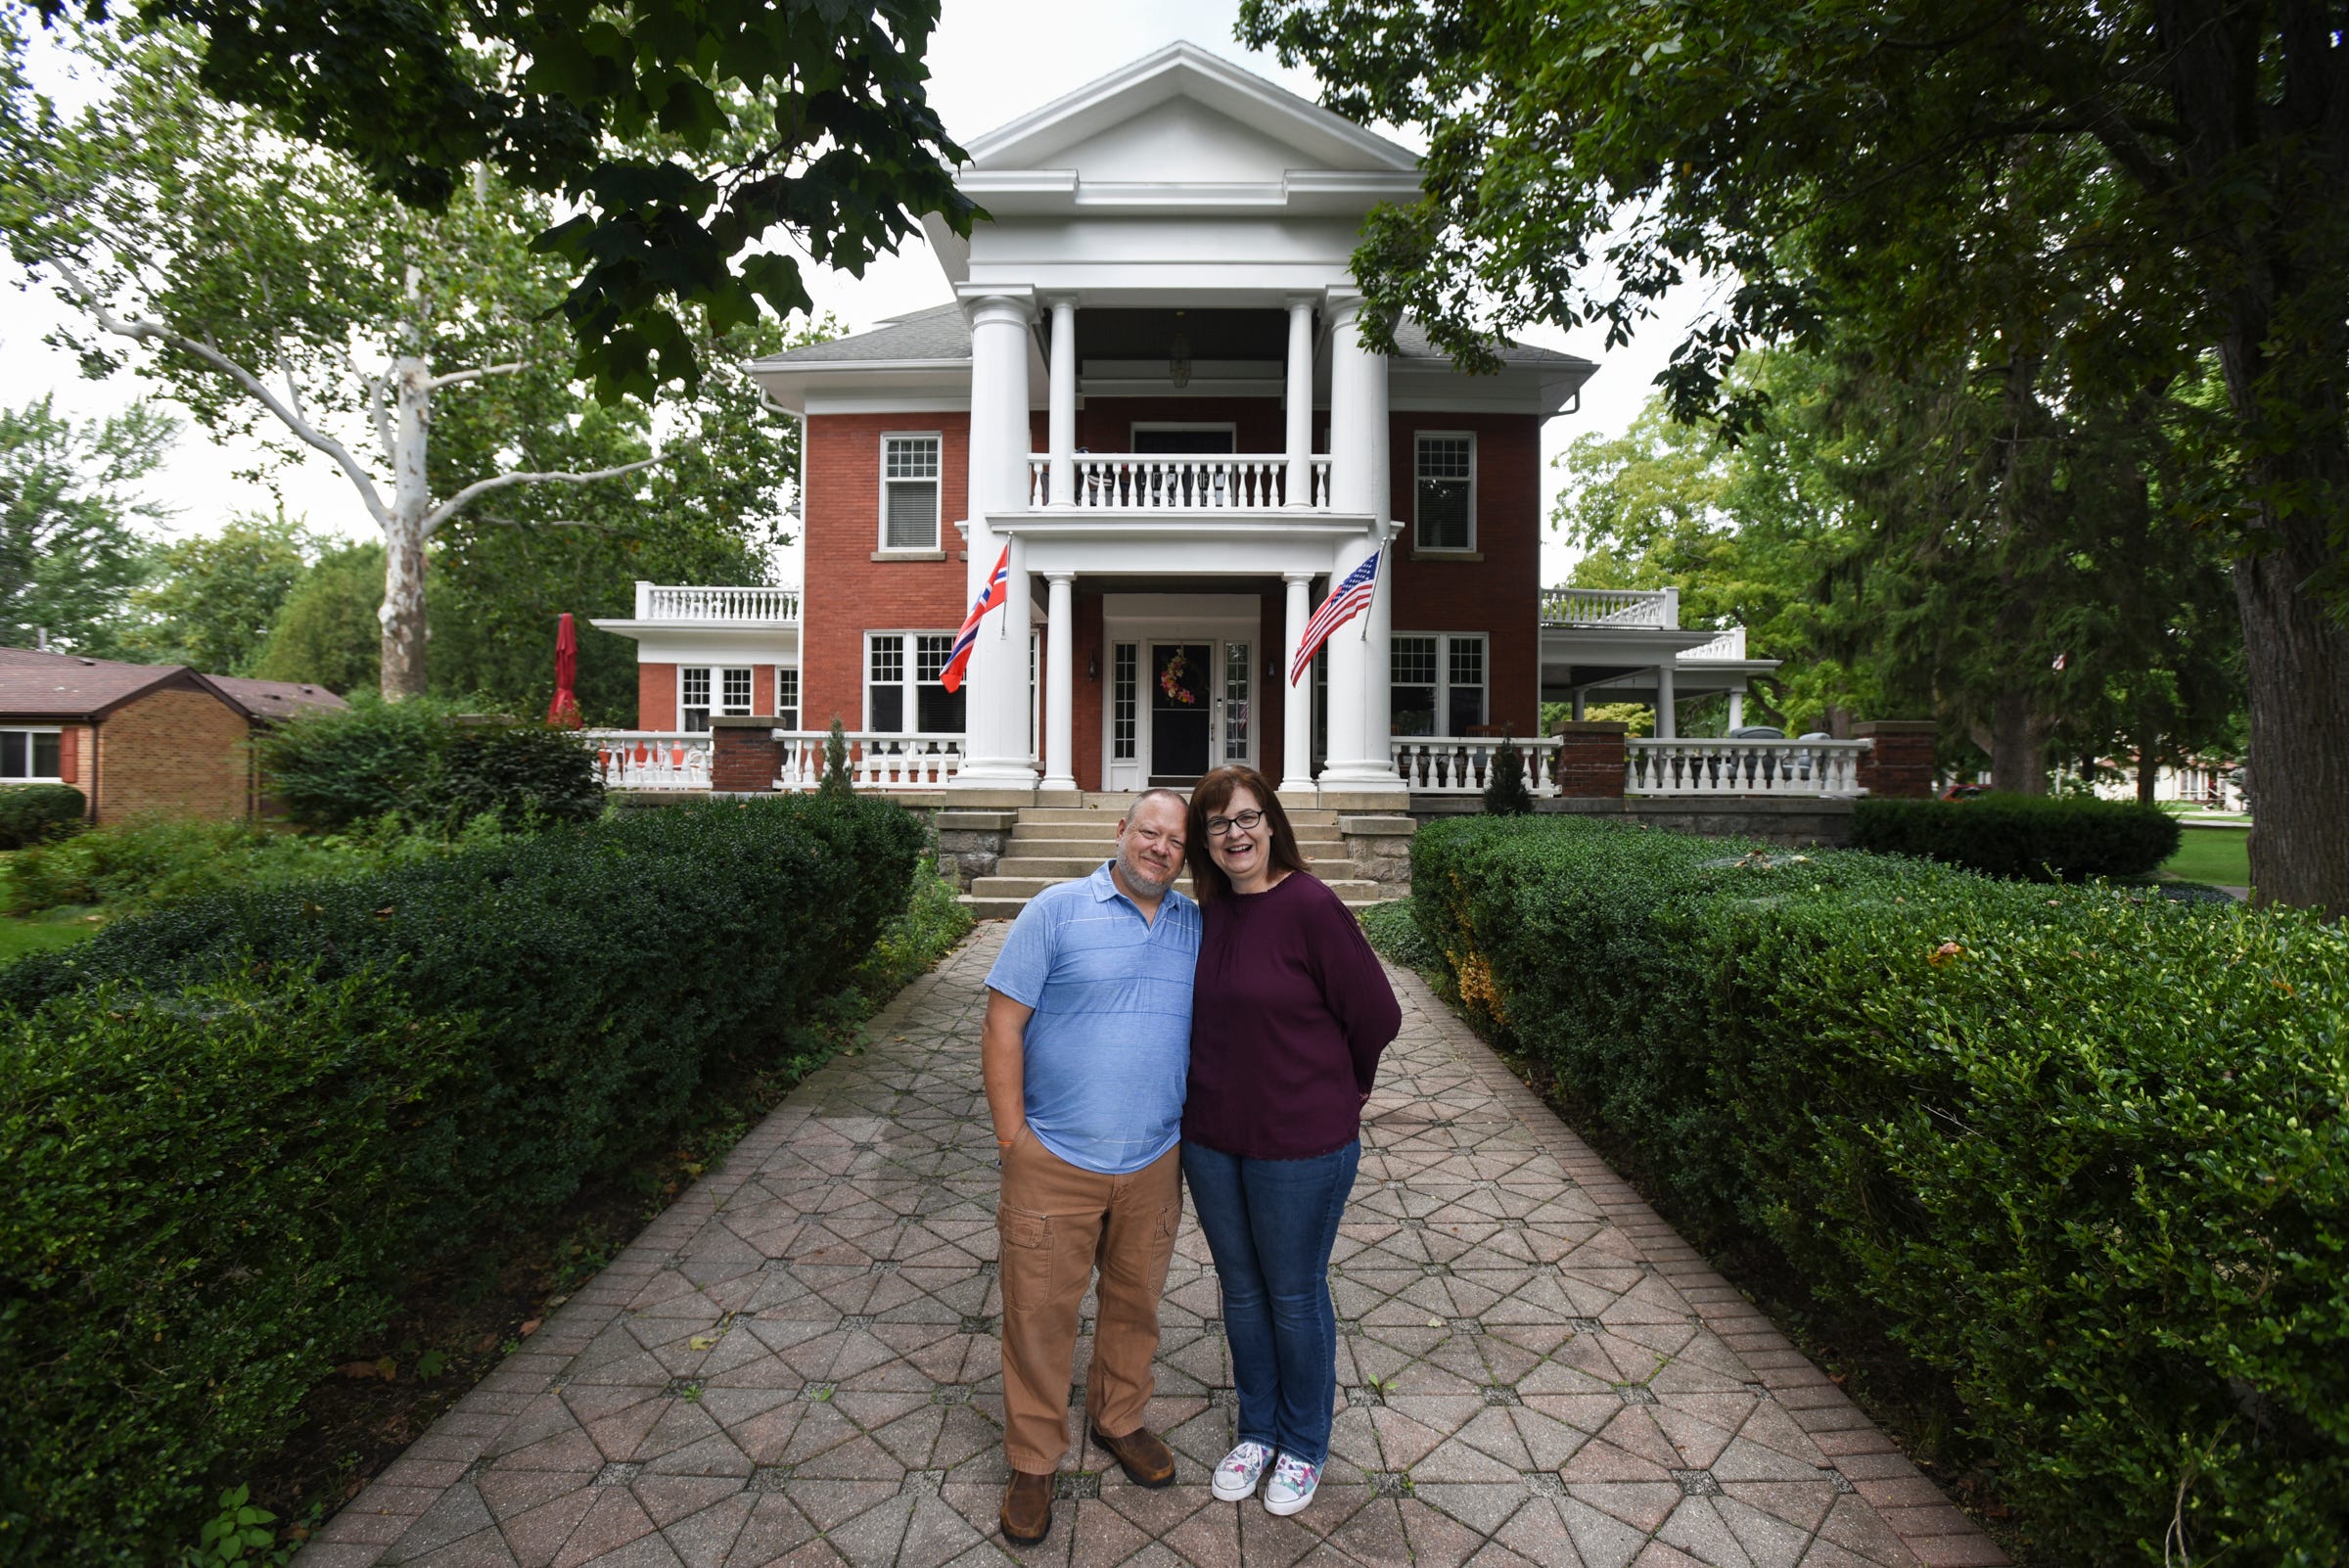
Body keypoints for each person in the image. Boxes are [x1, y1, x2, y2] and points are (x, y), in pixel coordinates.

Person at [980, 789, 1200, 1547]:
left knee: (1136, 1305)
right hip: (1054, 1160)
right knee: (1040, 1316)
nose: (1159, 847)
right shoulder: (1055, 910)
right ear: (1122, 832)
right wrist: (1014, 1140)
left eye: (1175, 839)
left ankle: (1119, 1420)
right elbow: (1003, 1023)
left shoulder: (1195, 927)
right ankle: (1034, 1460)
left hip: (1153, 1160)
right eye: (1149, 831)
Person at [1180, 764, 1401, 1517]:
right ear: (1202, 842)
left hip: (1300, 1146)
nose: (1234, 834)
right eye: (1217, 824)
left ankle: (1303, 1445)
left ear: (1271, 823)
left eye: (1245, 818)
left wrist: (1350, 1086)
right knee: (1241, 1292)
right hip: (1213, 1139)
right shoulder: (1203, 914)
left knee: (1294, 1294)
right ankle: (1258, 1430)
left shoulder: (1310, 905)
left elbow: (1376, 1015)